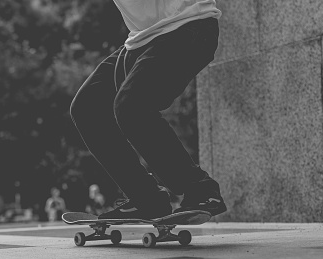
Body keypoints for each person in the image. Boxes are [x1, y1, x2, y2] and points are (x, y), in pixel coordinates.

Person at [70, 0, 226, 221]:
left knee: (132, 106)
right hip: (140, 41)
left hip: (189, 25)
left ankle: (202, 190)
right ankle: (146, 199)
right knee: (88, 108)